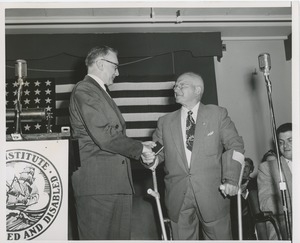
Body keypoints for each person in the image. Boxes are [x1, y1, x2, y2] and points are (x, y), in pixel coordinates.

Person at [142, 72, 245, 240]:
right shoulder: (165, 121)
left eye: (182, 85)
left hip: (214, 195)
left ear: (198, 90)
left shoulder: (217, 114)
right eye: (176, 86)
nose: (176, 88)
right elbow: (158, 152)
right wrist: (150, 159)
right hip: (177, 196)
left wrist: (231, 179)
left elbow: (235, 146)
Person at [69, 46, 154, 240]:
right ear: (100, 63)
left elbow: (110, 134)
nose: (118, 72)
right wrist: (140, 148)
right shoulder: (85, 89)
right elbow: (106, 137)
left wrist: (140, 146)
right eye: (115, 66)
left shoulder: (98, 91)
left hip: (114, 185)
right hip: (98, 187)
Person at [257, 122, 292, 240]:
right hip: (286, 224)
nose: (286, 146)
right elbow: (265, 203)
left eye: (290, 140)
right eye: (281, 142)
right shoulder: (268, 168)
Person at [231, 157, 257, 240]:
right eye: (241, 166)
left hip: (252, 222)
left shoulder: (256, 183)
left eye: (247, 166)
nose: (244, 168)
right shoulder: (232, 184)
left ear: (251, 170)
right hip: (236, 224)